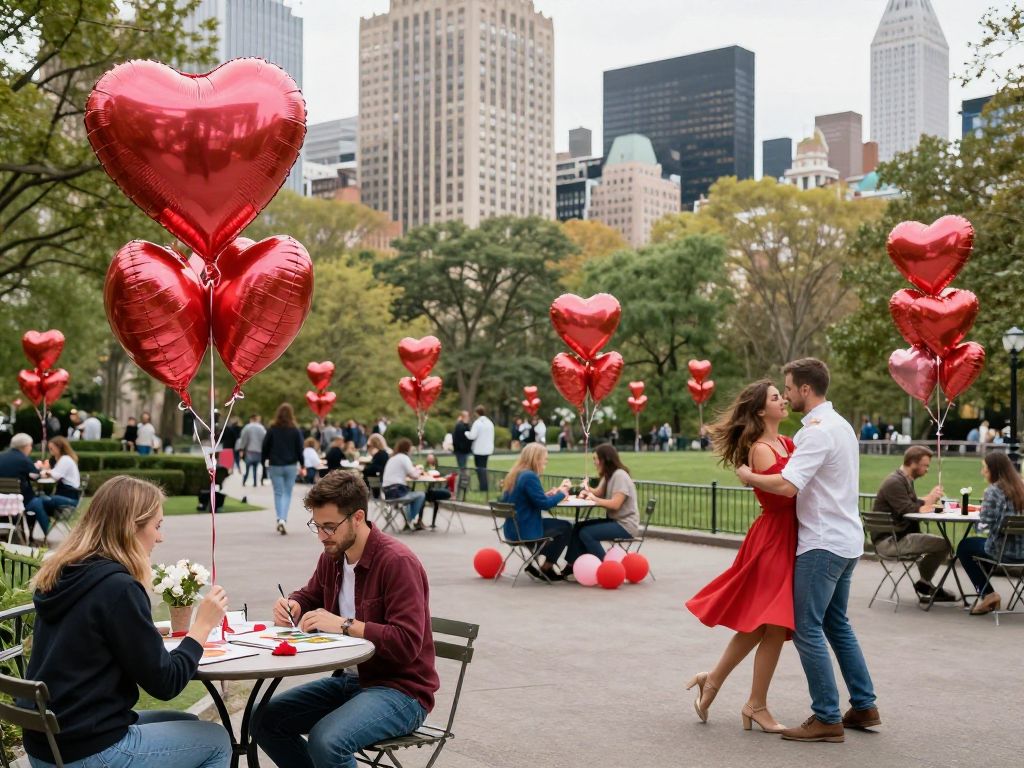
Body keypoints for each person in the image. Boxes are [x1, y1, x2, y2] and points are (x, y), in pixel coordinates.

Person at [21, 476, 231, 768]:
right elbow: (166, 683)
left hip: (48, 743)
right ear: (131, 527)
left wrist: (146, 630)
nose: (160, 538)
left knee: (185, 722)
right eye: (157, 526)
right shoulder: (118, 587)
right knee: (216, 741)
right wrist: (201, 627)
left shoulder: (67, 574)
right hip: (87, 751)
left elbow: (88, 637)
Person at [253, 471, 438, 768]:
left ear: (357, 516)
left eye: (329, 526)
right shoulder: (333, 556)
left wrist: (343, 624)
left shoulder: (397, 562)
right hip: (351, 682)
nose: (322, 536)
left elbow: (407, 643)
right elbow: (309, 595)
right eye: (317, 525)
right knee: (262, 720)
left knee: (328, 741)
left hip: (402, 691)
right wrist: (293, 605)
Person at [737, 358, 878, 743]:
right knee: (837, 625)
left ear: (804, 389)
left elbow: (787, 486)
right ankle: (864, 705)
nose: (785, 394)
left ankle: (827, 716)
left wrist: (748, 476)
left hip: (822, 542)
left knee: (807, 628)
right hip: (847, 540)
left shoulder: (816, 431)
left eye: (788, 388)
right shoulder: (842, 425)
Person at [685, 381, 796, 733]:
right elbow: (788, 492)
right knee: (775, 623)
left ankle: (714, 681)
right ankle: (756, 705)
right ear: (762, 411)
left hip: (786, 536)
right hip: (774, 539)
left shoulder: (786, 442)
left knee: (761, 625)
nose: (783, 400)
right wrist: (752, 476)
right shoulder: (762, 449)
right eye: (776, 397)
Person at [871, 446, 955, 603]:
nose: (927, 469)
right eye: (925, 465)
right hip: (891, 541)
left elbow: (913, 504)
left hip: (897, 536)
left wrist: (928, 500)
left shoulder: (903, 480)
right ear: (913, 463)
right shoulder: (894, 482)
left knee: (942, 544)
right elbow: (908, 509)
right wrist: (927, 503)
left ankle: (925, 582)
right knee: (944, 545)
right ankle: (925, 583)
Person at [956, 452, 1024, 615]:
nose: (982, 472)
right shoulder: (1021, 487)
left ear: (993, 469)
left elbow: (984, 526)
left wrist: (977, 520)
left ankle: (988, 594)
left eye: (984, 468)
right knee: (978, 548)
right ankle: (986, 591)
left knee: (964, 547)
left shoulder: (993, 491)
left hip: (1002, 552)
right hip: (1022, 551)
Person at [499, 443, 572, 581]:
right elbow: (544, 505)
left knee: (560, 526)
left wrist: (548, 494)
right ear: (536, 458)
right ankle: (546, 567)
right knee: (566, 526)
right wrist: (563, 493)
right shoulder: (530, 476)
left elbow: (526, 500)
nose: (546, 461)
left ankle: (535, 564)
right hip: (525, 530)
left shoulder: (516, 474)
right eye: (545, 458)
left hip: (512, 529)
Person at [565, 444, 640, 571]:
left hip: (625, 525)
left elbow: (616, 504)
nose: (594, 462)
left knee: (586, 533)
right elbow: (598, 492)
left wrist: (594, 499)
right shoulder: (608, 475)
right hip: (614, 521)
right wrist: (587, 489)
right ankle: (572, 566)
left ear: (605, 459)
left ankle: (607, 568)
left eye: (596, 459)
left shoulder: (620, 475)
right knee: (578, 527)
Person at [263, 403, 304, 535]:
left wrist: (263, 460)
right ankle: (283, 519)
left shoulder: (272, 429)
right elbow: (300, 449)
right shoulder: (295, 430)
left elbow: (265, 446)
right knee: (287, 493)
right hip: (290, 465)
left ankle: (280, 518)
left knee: (278, 493)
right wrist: (302, 464)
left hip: (275, 464)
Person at [0, 433, 47, 538]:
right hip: (19, 500)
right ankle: (45, 535)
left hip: (2, 500)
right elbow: (35, 476)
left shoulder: (1, 455)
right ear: (25, 446)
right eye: (30, 446)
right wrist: (40, 471)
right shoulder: (24, 459)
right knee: (38, 503)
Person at [382, 438, 427, 530]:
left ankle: (408, 521)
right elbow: (414, 475)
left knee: (411, 495)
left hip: (387, 492)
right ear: (407, 448)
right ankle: (410, 519)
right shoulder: (404, 458)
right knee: (421, 495)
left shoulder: (393, 458)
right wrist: (419, 470)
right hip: (396, 491)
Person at [38, 436, 82, 525]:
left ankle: (45, 523)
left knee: (39, 501)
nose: (50, 451)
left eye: (52, 448)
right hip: (68, 495)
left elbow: (56, 475)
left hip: (70, 497)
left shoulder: (65, 459)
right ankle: (45, 522)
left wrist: (44, 470)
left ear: (59, 447)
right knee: (40, 499)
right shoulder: (64, 459)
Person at [466, 405, 494, 493]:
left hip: (479, 450)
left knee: (480, 469)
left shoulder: (477, 423)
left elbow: (472, 436)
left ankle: (483, 487)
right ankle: (484, 486)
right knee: (484, 468)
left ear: (476, 413)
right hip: (487, 449)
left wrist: (466, 433)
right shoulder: (490, 423)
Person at [423, 453, 452, 528]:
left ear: (434, 460)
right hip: (435, 489)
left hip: (438, 489)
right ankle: (421, 521)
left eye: (431, 458)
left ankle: (419, 521)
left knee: (423, 496)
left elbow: (441, 478)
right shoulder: (426, 468)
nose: (429, 460)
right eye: (428, 458)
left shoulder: (437, 469)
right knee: (425, 495)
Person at [238, 413, 267, 487]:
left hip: (250, 451)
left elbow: (243, 439)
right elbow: (265, 440)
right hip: (258, 452)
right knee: (255, 468)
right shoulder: (262, 428)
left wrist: (241, 449)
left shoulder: (247, 427)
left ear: (251, 419)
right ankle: (255, 483)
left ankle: (244, 481)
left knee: (247, 469)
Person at [362, 434, 390, 498]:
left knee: (363, 478)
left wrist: (364, 469)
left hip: (378, 479)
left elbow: (375, 468)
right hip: (380, 477)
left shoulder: (380, 454)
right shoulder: (383, 453)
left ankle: (366, 496)